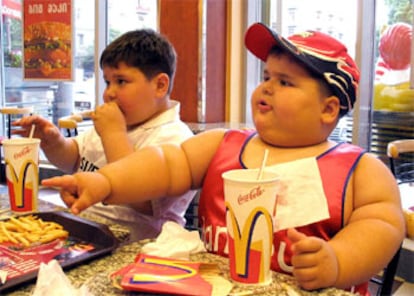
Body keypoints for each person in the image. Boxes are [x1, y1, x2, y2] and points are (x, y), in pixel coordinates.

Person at [42, 23, 405, 294]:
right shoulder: (224, 145)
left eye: (285, 82)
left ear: (328, 109)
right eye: (266, 76)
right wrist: (106, 182)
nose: (266, 87)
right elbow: (166, 164)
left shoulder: (360, 170)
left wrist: (338, 261)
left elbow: (383, 227)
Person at [13, 29, 196, 241]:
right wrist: (54, 142)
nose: (109, 92)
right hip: (86, 231)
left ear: (159, 85)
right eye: (108, 82)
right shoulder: (120, 121)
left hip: (138, 248)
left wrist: (113, 133)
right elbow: (74, 159)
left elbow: (142, 202)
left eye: (121, 81)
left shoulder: (174, 137)